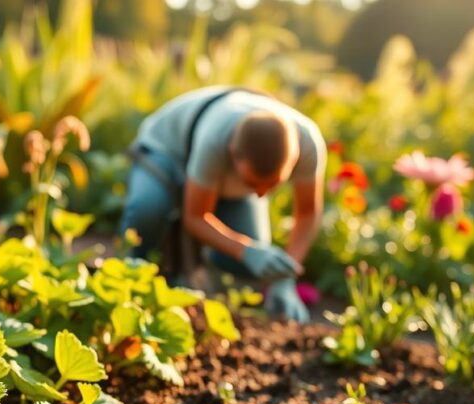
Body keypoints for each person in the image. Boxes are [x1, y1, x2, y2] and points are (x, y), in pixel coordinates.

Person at [120, 86, 326, 323]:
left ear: (294, 159)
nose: (260, 195)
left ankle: (196, 266)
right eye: (252, 183)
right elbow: (195, 217)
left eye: (272, 185)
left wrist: (285, 278)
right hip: (165, 151)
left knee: (249, 266)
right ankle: (132, 273)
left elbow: (308, 212)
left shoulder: (308, 143)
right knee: (148, 209)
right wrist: (245, 249)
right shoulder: (214, 140)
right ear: (232, 155)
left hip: (219, 175)